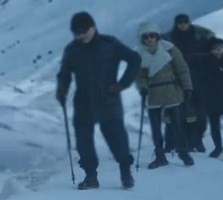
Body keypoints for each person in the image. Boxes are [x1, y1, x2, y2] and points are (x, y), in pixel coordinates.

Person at [55, 11, 140, 189]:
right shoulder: (72, 50)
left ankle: (126, 173)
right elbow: (64, 74)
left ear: (93, 27)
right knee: (83, 141)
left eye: (84, 31)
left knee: (117, 138)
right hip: (83, 101)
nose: (81, 36)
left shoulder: (109, 44)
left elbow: (134, 59)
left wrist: (122, 84)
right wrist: (62, 91)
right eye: (77, 33)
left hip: (108, 99)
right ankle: (91, 177)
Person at [134, 21, 196, 169]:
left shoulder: (170, 49)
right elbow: (139, 76)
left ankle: (183, 153)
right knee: (155, 128)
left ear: (157, 36)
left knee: (177, 125)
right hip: (153, 92)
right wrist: (142, 88)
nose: (149, 39)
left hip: (171, 90)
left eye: (152, 35)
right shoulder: (139, 54)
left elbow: (182, 69)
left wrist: (187, 87)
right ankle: (160, 156)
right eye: (146, 36)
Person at [163, 13, 218, 151]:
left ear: (189, 22)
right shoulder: (169, 38)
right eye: (180, 23)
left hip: (199, 79)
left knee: (200, 112)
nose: (183, 25)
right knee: (174, 111)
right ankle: (173, 142)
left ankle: (196, 141)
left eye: (185, 22)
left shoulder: (201, 36)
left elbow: (213, 51)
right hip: (177, 79)